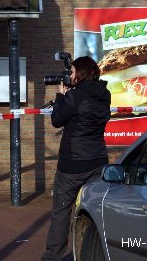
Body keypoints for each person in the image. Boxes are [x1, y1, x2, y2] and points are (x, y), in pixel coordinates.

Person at [42, 56, 111, 261]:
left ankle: (52, 257)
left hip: (72, 164)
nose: (69, 76)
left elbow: (56, 120)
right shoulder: (105, 94)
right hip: (98, 160)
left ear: (80, 73)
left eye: (71, 72)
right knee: (91, 211)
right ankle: (92, 252)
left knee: (62, 211)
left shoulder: (75, 97)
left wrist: (61, 96)